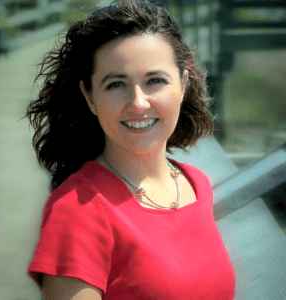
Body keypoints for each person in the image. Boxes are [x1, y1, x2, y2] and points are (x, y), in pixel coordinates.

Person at [27, 0, 236, 299]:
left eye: (155, 81)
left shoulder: (196, 184)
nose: (138, 102)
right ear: (90, 97)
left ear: (183, 84)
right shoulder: (77, 210)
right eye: (116, 85)